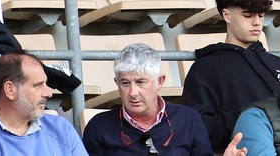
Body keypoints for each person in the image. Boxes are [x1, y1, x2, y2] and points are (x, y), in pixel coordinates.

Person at [181, 0, 280, 153]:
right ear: (226, 15)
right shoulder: (205, 69)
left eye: (261, 15)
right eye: (248, 15)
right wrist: (250, 115)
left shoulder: (276, 63)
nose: (257, 22)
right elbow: (197, 129)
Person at [83, 44, 213, 156]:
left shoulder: (189, 120)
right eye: (125, 83)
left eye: (141, 82)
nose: (133, 93)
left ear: (160, 82)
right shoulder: (99, 126)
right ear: (117, 83)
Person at [0, 53, 89, 156]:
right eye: (38, 85)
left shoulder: (62, 129)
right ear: (10, 90)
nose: (48, 93)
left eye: (46, 84)